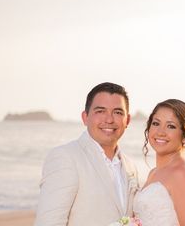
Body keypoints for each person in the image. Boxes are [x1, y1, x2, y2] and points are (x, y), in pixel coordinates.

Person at [34, 82, 139, 226]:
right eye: (100, 111)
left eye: (118, 112)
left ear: (127, 120)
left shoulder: (131, 166)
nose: (109, 119)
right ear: (85, 117)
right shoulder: (65, 157)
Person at [133, 99, 185, 226]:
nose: (160, 132)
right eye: (156, 123)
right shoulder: (153, 172)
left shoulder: (181, 174)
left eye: (171, 126)